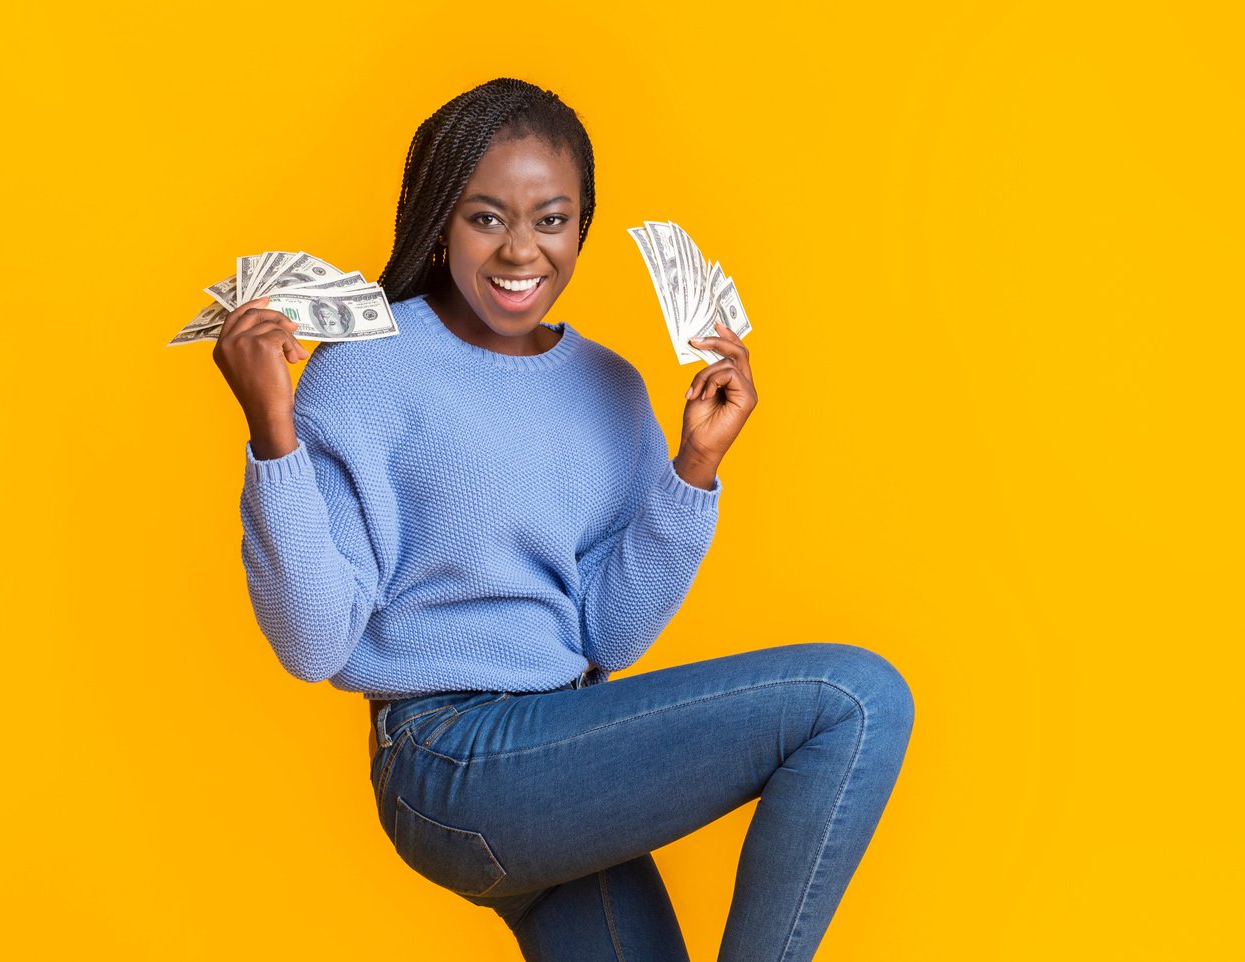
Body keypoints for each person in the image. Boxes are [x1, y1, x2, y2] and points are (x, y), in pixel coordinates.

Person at [212, 77, 914, 962]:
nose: (520, 251)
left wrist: (694, 465)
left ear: (581, 225)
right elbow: (314, 643)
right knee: (854, 698)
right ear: (439, 220)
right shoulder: (368, 369)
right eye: (485, 217)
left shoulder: (612, 389)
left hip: (564, 748)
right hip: (450, 758)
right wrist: (272, 432)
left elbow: (608, 634)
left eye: (551, 219)